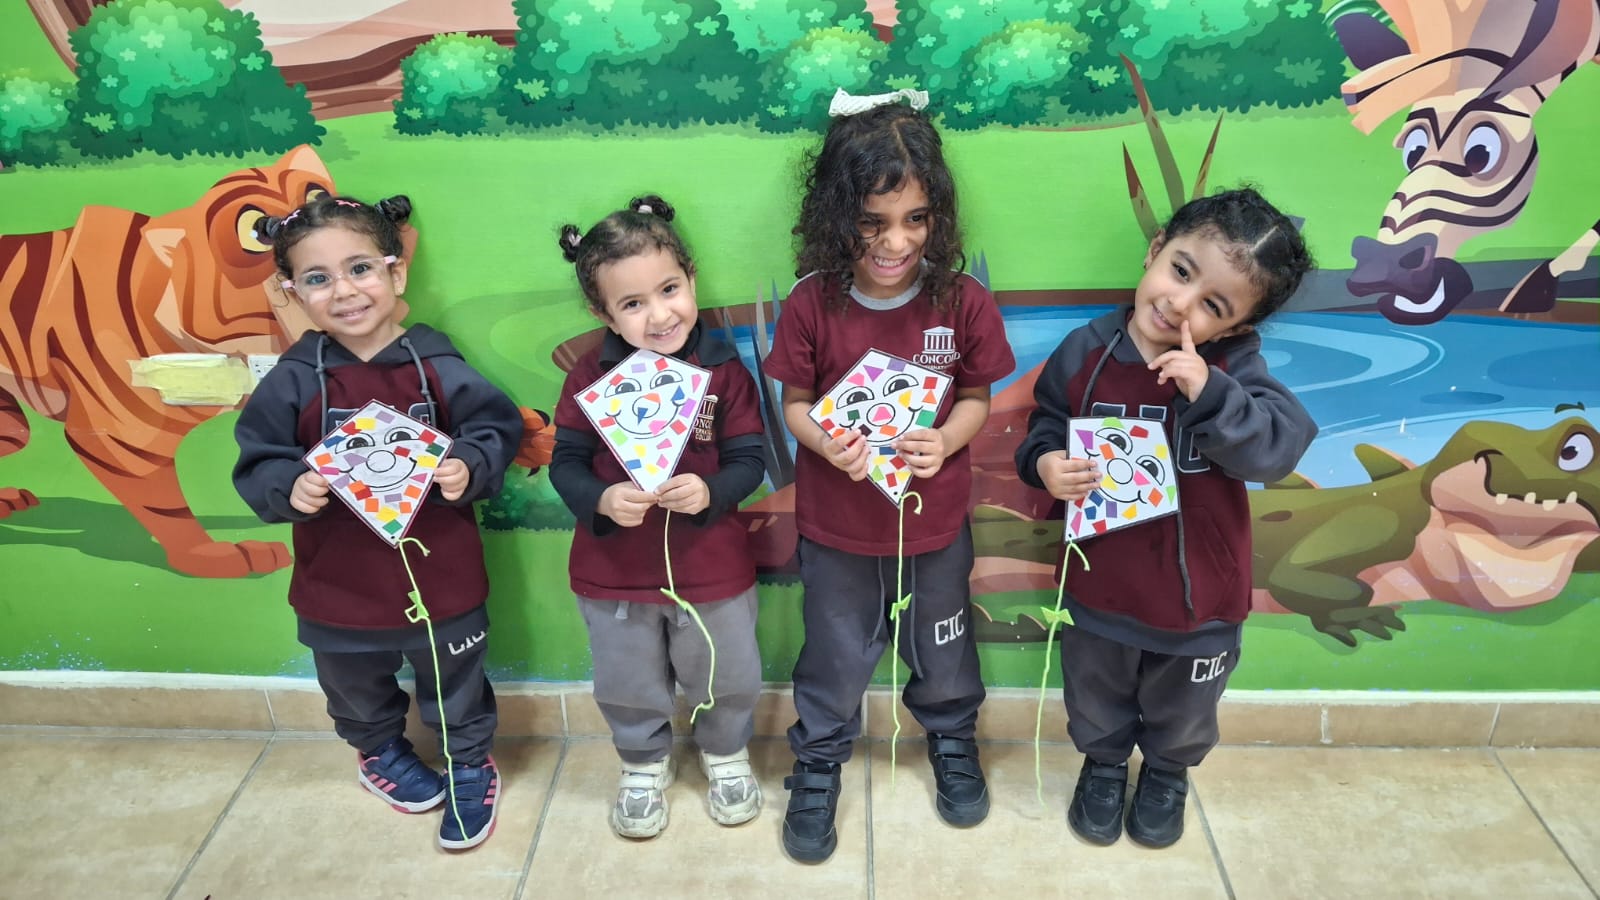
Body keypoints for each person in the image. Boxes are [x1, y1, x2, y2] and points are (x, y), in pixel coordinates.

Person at [1014, 187, 1318, 849]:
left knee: (1185, 707)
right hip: (1100, 587)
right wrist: (1046, 464)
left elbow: (1279, 447)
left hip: (1200, 600)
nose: (1180, 303)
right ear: (1155, 251)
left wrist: (1209, 390)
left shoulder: (1233, 367)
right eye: (1181, 271)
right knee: (1094, 693)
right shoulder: (1085, 350)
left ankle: (1167, 774)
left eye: (1213, 305)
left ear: (1233, 328)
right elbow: (1045, 426)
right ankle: (1102, 766)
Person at [763, 92, 1017, 863]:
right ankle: (818, 761)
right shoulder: (812, 302)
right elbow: (795, 404)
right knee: (834, 654)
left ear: (938, 213)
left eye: (915, 218)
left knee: (944, 649)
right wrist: (826, 442)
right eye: (873, 222)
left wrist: (945, 441)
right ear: (836, 215)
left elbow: (976, 397)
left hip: (934, 528)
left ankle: (952, 739)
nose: (896, 241)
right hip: (837, 531)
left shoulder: (961, 301)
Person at [233, 194, 522, 851]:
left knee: (456, 684)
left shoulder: (438, 366)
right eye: (317, 278)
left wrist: (469, 465)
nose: (344, 291)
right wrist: (290, 486)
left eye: (360, 268)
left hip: (442, 581)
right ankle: (379, 754)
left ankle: (469, 763)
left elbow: (494, 427)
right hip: (337, 586)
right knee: (353, 686)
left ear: (397, 272)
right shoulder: (292, 381)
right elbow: (258, 459)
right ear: (291, 293)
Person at [548, 195, 768, 839]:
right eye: (632, 303)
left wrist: (711, 491)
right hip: (615, 573)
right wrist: (600, 500)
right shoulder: (587, 378)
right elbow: (565, 463)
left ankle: (725, 751)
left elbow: (750, 460)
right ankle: (642, 761)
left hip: (712, 568)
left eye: (669, 290)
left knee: (727, 671)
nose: (659, 314)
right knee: (627, 677)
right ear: (603, 313)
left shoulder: (723, 372)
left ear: (691, 279)